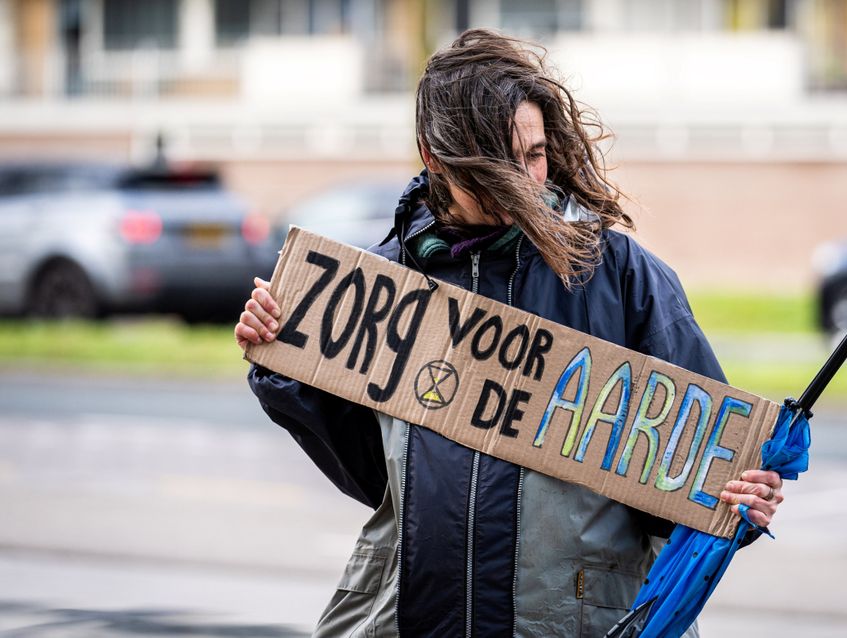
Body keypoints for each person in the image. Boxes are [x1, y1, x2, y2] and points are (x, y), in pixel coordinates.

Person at [235, 29, 784, 638]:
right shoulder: (380, 284)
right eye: (497, 162)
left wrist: (738, 498)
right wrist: (284, 363)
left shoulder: (622, 278)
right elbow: (372, 477)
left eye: (534, 154)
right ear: (434, 156)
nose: (524, 179)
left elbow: (700, 471)